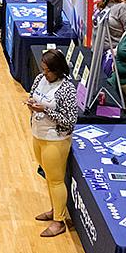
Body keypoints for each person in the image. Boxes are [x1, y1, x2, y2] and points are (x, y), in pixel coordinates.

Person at [27, 49, 78, 237]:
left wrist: (46, 111)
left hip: (55, 140)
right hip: (38, 135)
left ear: (58, 69)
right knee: (48, 177)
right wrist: (31, 103)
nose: (44, 73)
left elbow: (70, 120)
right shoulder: (40, 79)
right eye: (43, 69)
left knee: (56, 180)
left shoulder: (66, 89)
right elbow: (32, 94)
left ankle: (59, 221)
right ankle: (55, 210)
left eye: (48, 70)